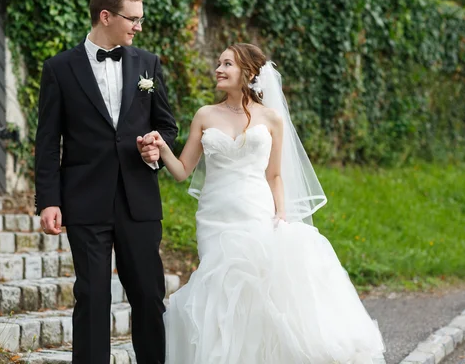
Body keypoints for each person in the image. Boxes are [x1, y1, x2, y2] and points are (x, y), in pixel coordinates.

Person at [143, 43, 385, 363]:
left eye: (227, 64)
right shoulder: (204, 115)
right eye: (219, 62)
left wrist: (280, 214)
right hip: (215, 217)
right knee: (218, 295)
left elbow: (274, 175)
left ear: (248, 72)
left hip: (254, 211)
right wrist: (161, 148)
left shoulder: (271, 119)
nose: (218, 68)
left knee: (256, 295)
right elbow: (181, 170)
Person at [34, 0, 178, 364]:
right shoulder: (60, 68)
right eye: (133, 19)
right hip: (85, 200)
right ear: (105, 16)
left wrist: (155, 145)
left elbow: (168, 126)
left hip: (138, 200)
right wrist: (48, 200)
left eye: (140, 19)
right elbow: (48, 142)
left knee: (148, 295)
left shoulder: (148, 64)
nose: (138, 27)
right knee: (93, 297)